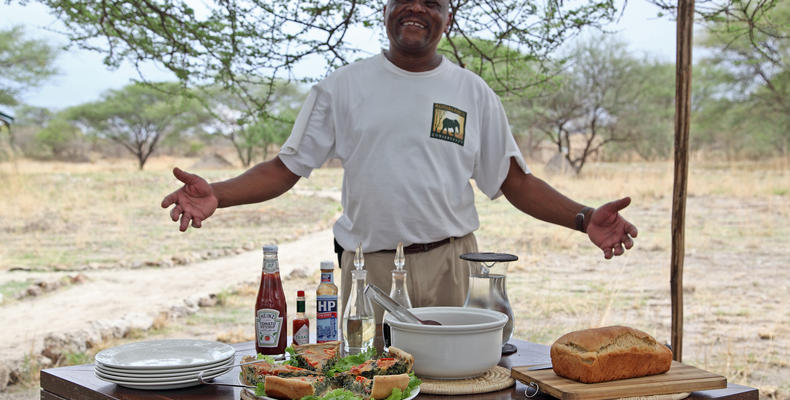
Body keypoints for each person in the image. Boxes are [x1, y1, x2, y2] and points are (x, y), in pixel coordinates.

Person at [161, 0, 638, 346]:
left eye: (431, 2)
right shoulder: (341, 88)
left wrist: (584, 217)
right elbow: (285, 169)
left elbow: (514, 181)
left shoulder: (473, 93)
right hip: (370, 267)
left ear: (449, 17)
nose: (416, 8)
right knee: (366, 379)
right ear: (385, 11)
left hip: (453, 266)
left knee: (454, 381)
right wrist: (218, 194)